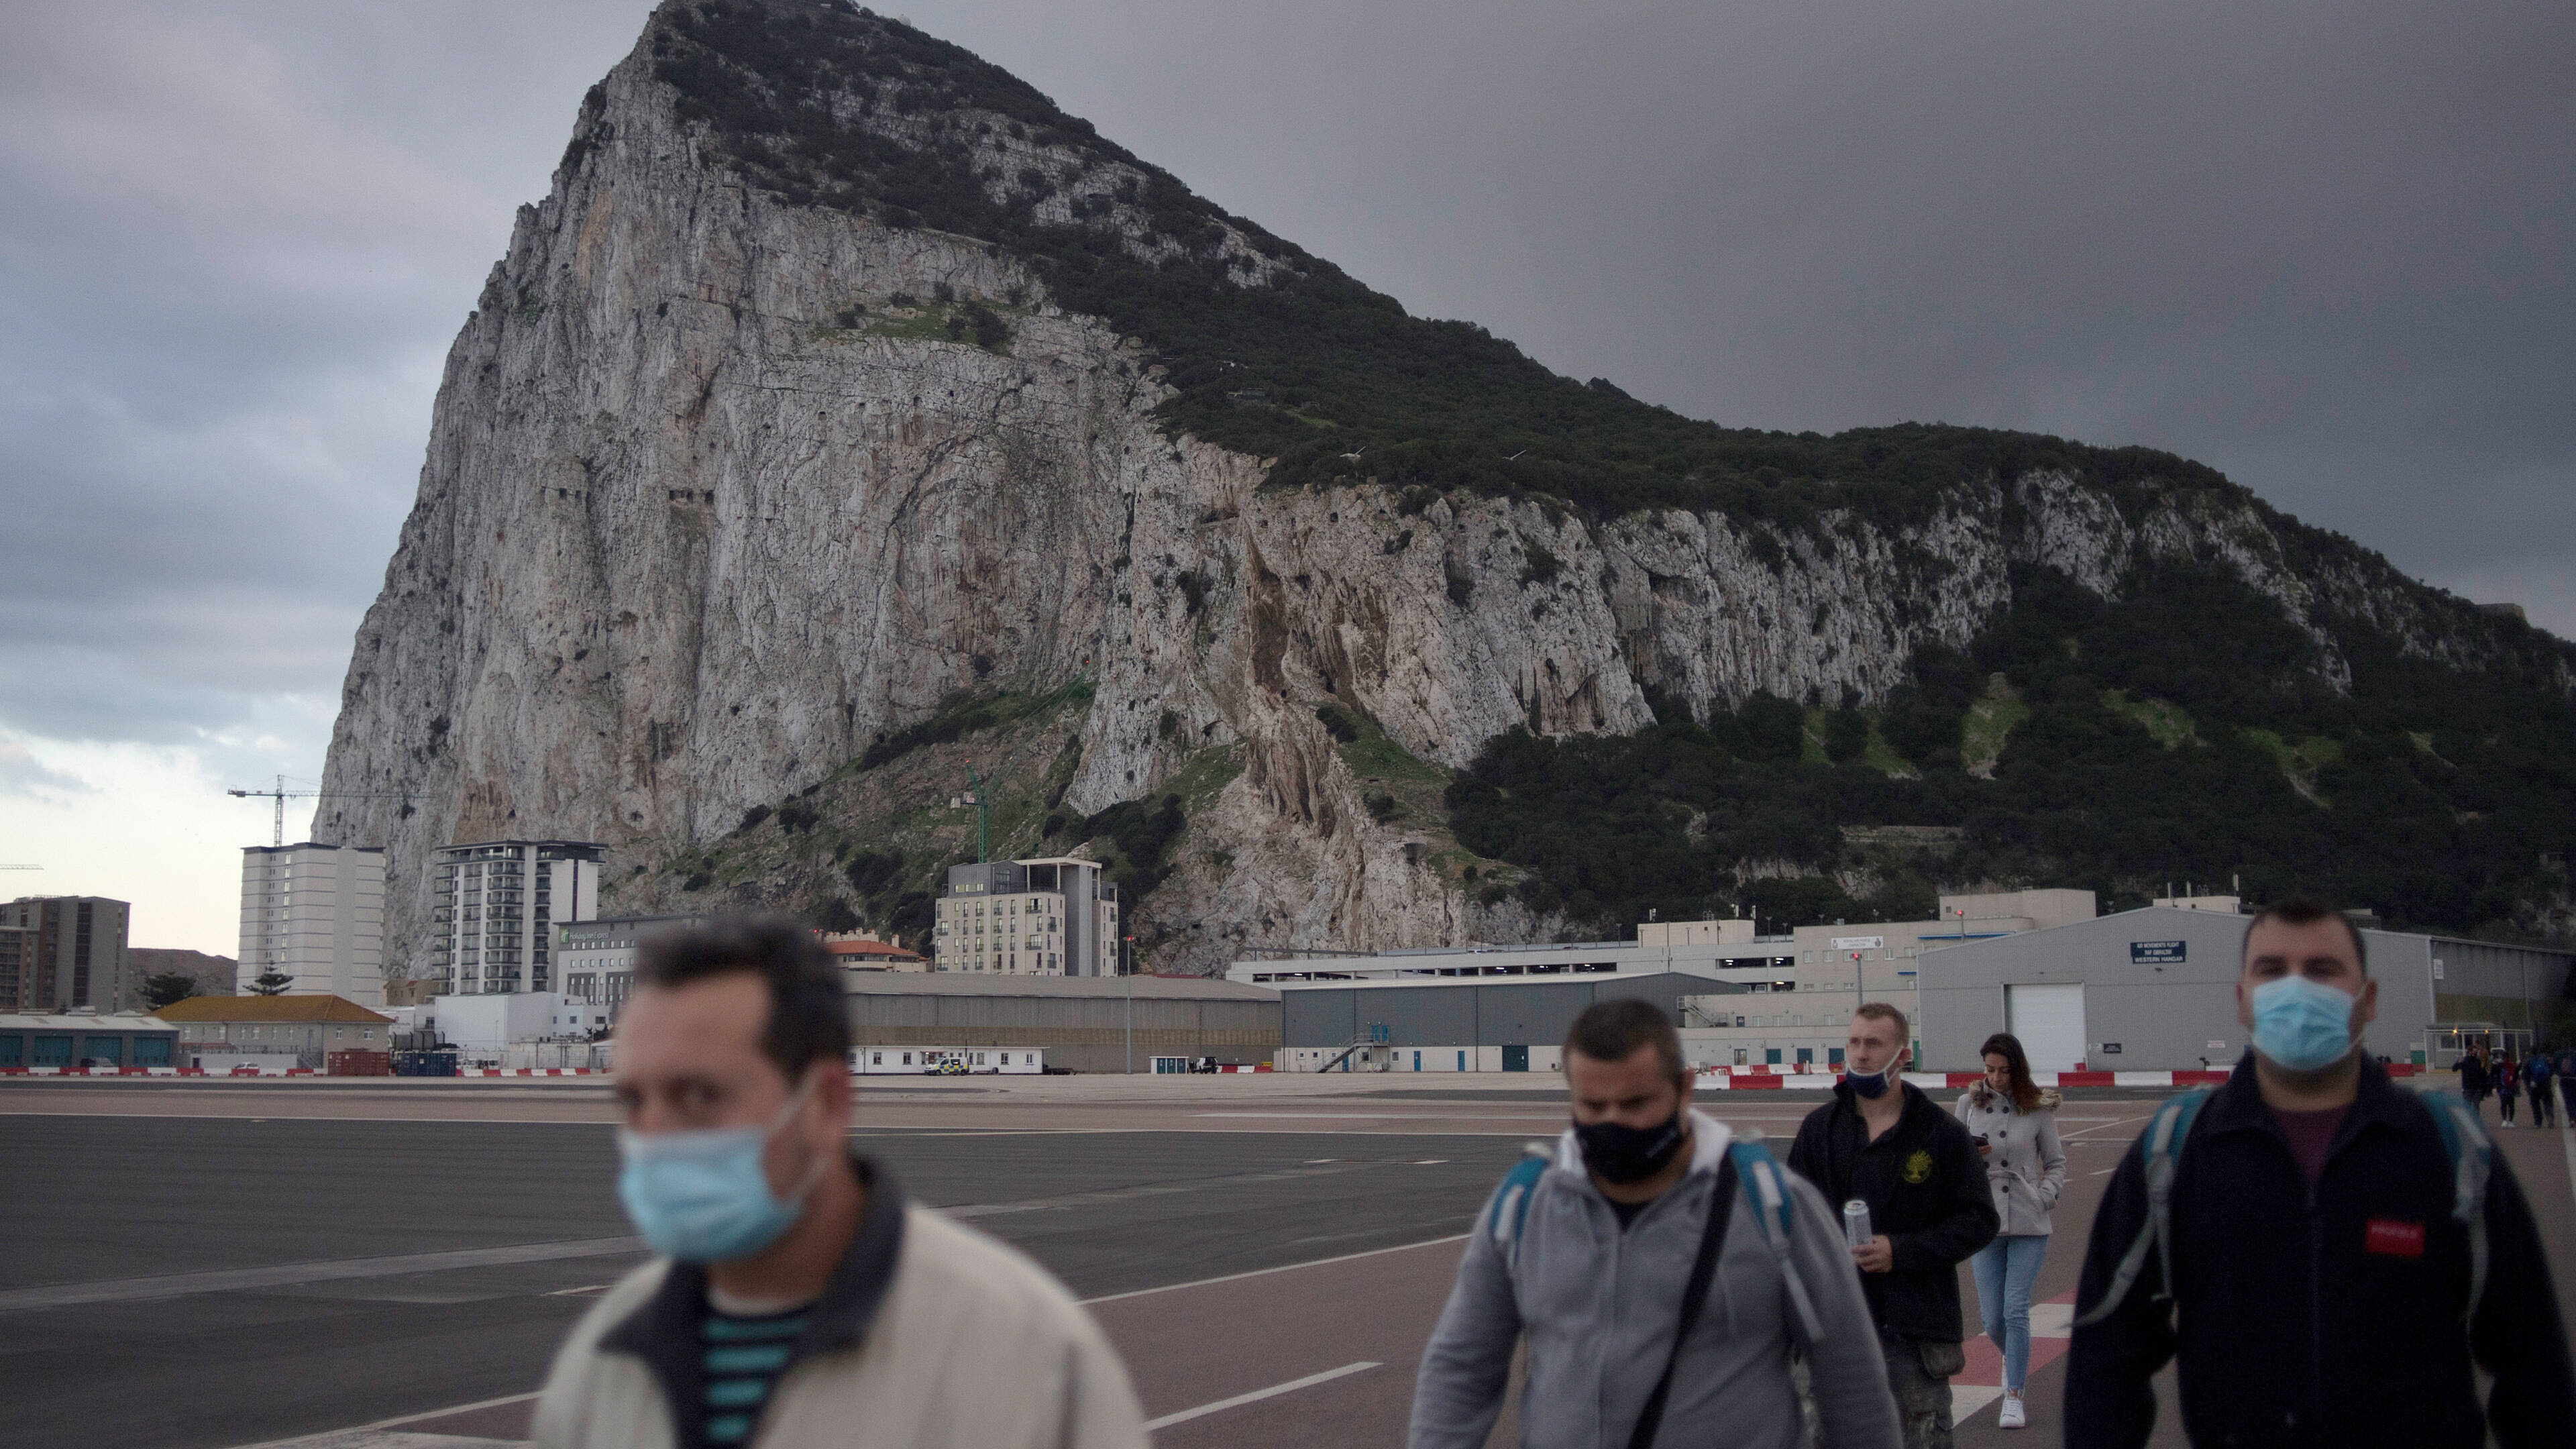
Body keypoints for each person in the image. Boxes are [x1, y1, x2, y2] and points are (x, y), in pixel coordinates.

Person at [533, 916, 1146, 1449]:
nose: (654, 1135)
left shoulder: (1027, 1354)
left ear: (825, 1105)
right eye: (633, 1100)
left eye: (700, 1094)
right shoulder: (599, 1363)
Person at [2066, 898, 2576, 1447]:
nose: (2297, 989)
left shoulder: (2448, 1146)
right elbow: (2106, 1359)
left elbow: (2532, 1361)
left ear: (2369, 999)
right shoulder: (2175, 1150)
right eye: (2272, 971)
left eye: (2322, 970)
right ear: (2243, 1002)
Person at [1408, 999, 1902, 1449]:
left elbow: (1850, 1378)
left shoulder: (1773, 1204)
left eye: (1636, 1103)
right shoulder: (1525, 1205)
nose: (1614, 1123)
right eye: (1593, 1107)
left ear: (1685, 1088)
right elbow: (1461, 1368)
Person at [1788, 1004, 1999, 1449]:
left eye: (1874, 1043)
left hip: (1913, 1332)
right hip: (1829, 1330)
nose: (1860, 1054)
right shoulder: (1819, 1130)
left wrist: (1899, 1251)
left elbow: (1979, 1221)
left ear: (1902, 1055)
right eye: (1854, 1042)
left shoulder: (1939, 1134)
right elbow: (1790, 1222)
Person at [1955, 1032, 2065, 1432]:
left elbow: (2056, 1163)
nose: (1995, 1078)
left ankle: (2014, 1393)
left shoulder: (2037, 1109)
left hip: (2028, 1219)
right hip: (1985, 1221)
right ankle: (2012, 1357)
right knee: (1991, 1319)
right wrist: (1970, 1153)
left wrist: (2044, 1195)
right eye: (1989, 1070)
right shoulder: (1968, 1104)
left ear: (2016, 1069)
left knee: (2015, 1309)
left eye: (2003, 1070)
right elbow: (1951, 1162)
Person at [2524, 1049, 2555, 1129]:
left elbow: (2525, 1075)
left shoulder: (2528, 1061)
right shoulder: (2545, 1059)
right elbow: (2551, 1071)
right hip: (2545, 1084)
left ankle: (2538, 1122)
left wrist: (2528, 1085)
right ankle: (2549, 1116)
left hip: (2534, 1085)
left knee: (2535, 1104)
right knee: (2548, 1102)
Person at [2461, 1042, 2491, 1120]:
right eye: (2474, 1052)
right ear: (2470, 1052)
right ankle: (2468, 1119)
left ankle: (2476, 1120)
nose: (2475, 1054)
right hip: (2468, 1086)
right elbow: (2455, 1068)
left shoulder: (2479, 1060)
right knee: (2467, 1103)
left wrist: (2487, 1070)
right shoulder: (2465, 1060)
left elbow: (2483, 1072)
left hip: (2477, 1086)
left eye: (2476, 1052)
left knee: (2476, 1104)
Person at [2497, 1048, 2521, 1127]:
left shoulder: (2502, 1065)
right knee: (2509, 1105)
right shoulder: (2509, 1065)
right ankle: (2508, 1120)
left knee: (2506, 1105)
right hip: (2508, 1088)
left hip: (2506, 1088)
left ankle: (2507, 1120)